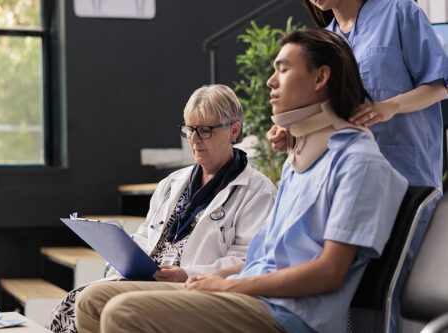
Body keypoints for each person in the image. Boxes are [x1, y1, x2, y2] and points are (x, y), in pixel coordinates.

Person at [74, 29, 408, 333]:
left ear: (321, 77)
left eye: (283, 69)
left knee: (123, 313)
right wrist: (208, 277)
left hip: (291, 314)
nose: (270, 81)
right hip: (253, 292)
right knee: (93, 301)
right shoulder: (301, 160)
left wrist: (229, 286)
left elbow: (329, 273)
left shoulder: (358, 163)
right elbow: (263, 259)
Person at [267, 1, 448, 330]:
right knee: (351, 294)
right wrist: (292, 134)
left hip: (406, 174)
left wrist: (389, 107)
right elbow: (327, 113)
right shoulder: (327, 40)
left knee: (391, 289)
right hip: (345, 184)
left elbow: (440, 84)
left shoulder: (399, 13)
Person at [48, 84, 277, 332]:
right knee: (82, 298)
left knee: (93, 300)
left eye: (206, 130)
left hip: (193, 287)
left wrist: (186, 273)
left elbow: (248, 261)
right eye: (190, 129)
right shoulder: (172, 183)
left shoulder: (256, 191)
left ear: (234, 130)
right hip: (150, 278)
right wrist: (126, 257)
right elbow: (147, 234)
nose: (195, 139)